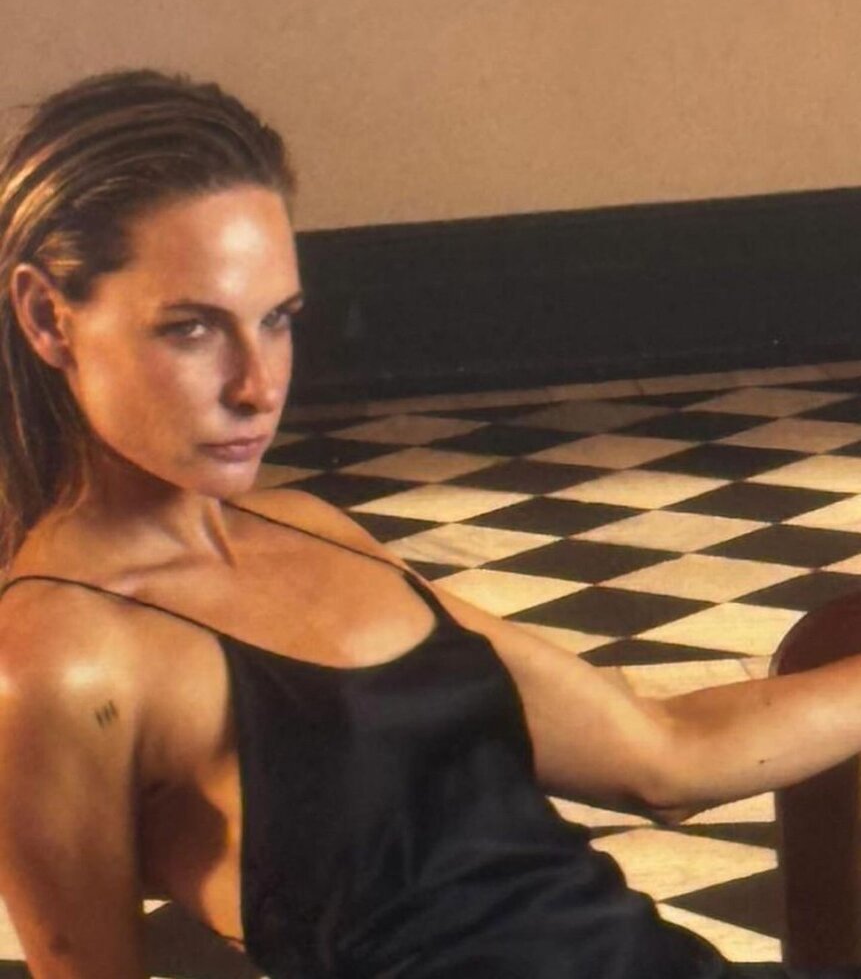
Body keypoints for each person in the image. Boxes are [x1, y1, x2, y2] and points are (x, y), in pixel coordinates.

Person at [0, 68, 856, 979]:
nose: (257, 385)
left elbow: (667, 758)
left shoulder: (305, 526)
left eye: (278, 320)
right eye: (191, 329)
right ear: (48, 317)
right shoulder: (52, 662)